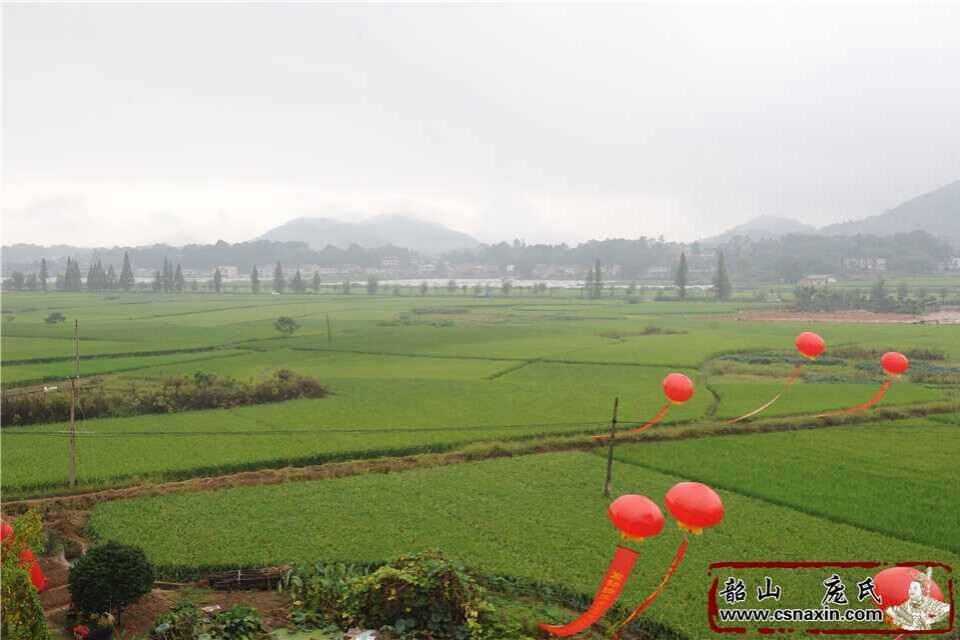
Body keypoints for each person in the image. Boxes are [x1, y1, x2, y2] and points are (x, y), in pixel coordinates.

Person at [885, 568, 950, 630]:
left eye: (915, 588)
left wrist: (931, 620)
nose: (911, 591)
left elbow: (947, 609)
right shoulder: (907, 603)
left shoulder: (929, 603)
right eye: (910, 588)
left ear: (922, 590)